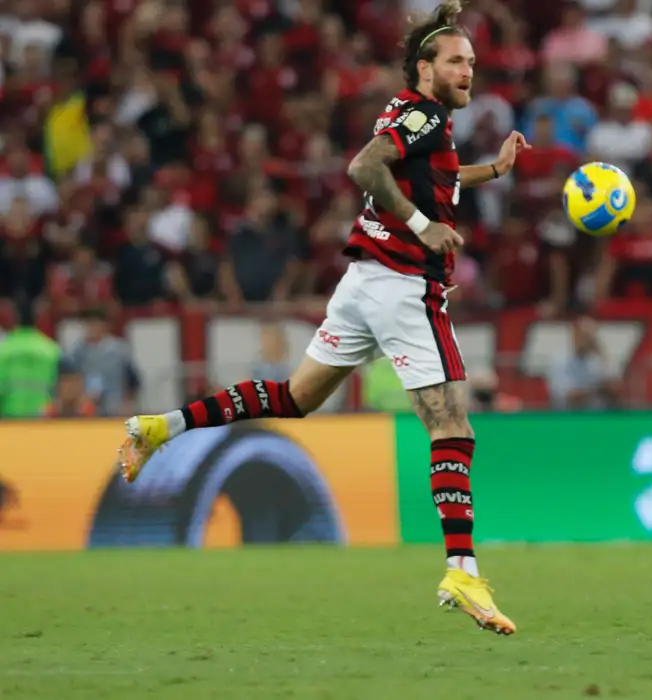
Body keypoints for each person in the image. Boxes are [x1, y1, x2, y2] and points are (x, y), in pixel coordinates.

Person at [116, 0, 529, 636]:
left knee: (296, 395)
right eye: (455, 61)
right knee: (452, 426)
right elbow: (364, 167)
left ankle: (158, 427)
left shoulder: (417, 115)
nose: (469, 70)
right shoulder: (423, 116)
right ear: (426, 67)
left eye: (472, 61)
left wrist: (492, 171)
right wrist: (425, 228)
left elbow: (429, 179)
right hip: (401, 285)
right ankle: (462, 570)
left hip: (362, 281)